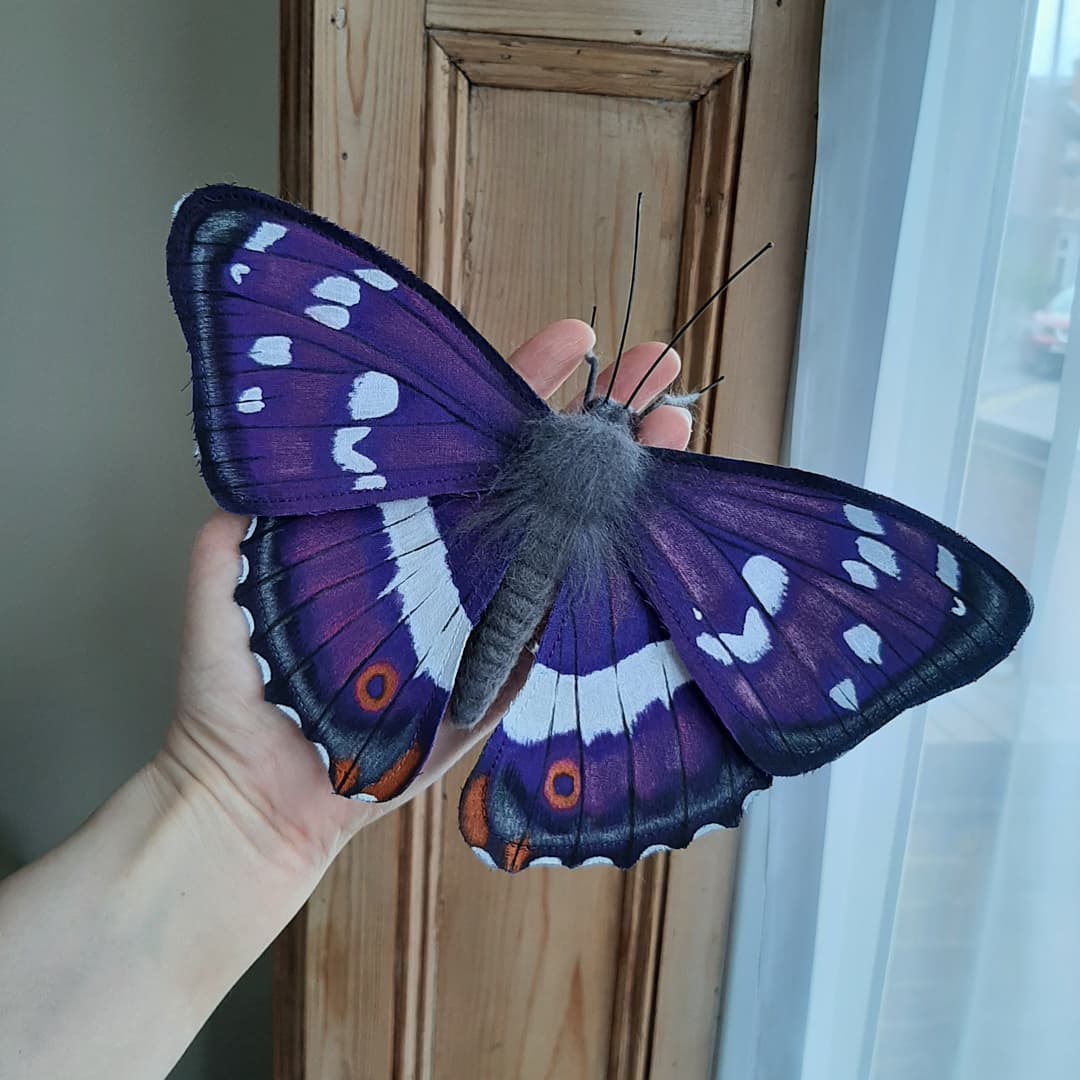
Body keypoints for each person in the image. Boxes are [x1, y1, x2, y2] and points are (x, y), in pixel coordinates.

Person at [0, 319, 692, 1079]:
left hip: (424, 597)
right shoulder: (662, 507)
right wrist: (229, 799)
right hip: (487, 627)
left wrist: (227, 805)